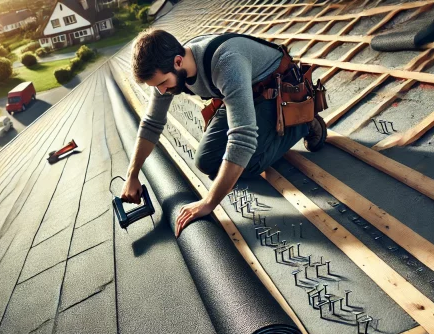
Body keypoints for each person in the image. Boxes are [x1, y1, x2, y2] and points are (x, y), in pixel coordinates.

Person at [120, 29, 326, 236]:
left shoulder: (226, 63)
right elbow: (152, 122)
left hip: (275, 89)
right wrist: (132, 174)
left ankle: (304, 122)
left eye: (163, 83)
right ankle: (279, 127)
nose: (161, 91)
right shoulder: (168, 70)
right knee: (206, 162)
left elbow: (242, 139)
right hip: (242, 95)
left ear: (178, 61)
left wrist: (208, 203)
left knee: (248, 164)